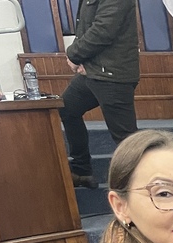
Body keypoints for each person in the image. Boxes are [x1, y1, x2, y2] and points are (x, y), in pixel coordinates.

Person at [59, 0, 140, 189]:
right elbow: (85, 28)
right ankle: (81, 170)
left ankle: (141, 185)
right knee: (67, 107)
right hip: (94, 72)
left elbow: (103, 30)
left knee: (126, 138)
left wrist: (73, 55)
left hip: (113, 74)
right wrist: (83, 60)